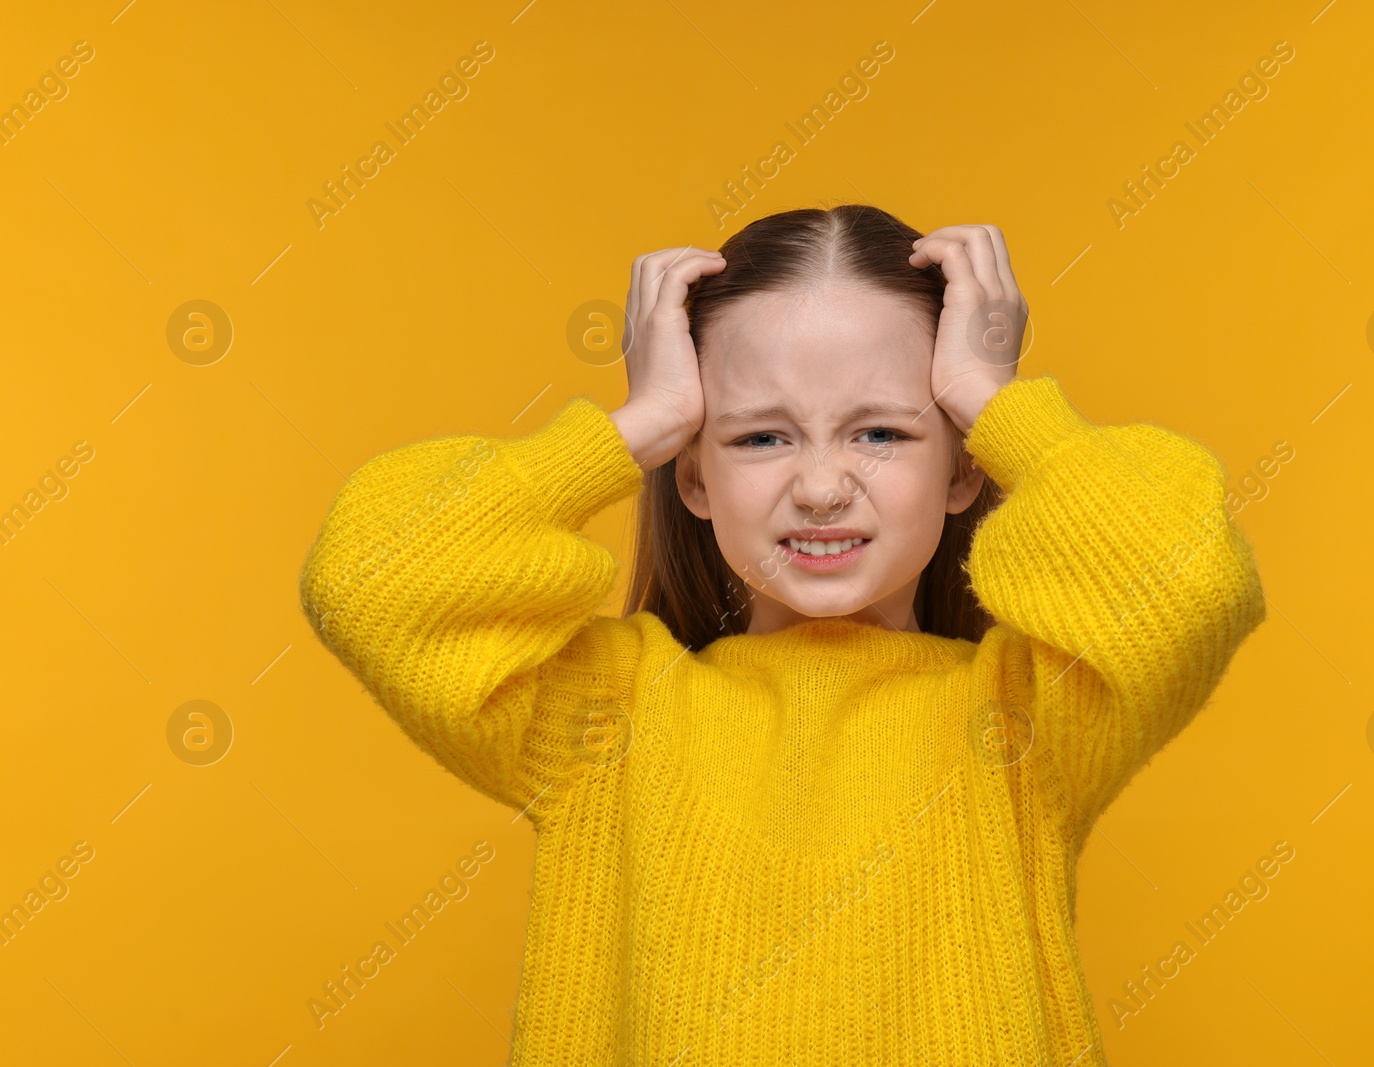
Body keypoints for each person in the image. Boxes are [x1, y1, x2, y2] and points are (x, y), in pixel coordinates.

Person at [298, 204, 1268, 1065]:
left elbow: (1188, 579)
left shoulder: (1029, 718)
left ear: (962, 471)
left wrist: (992, 399)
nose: (818, 484)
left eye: (880, 433)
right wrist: (642, 422)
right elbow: (370, 578)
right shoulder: (602, 716)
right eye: (760, 435)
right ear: (692, 478)